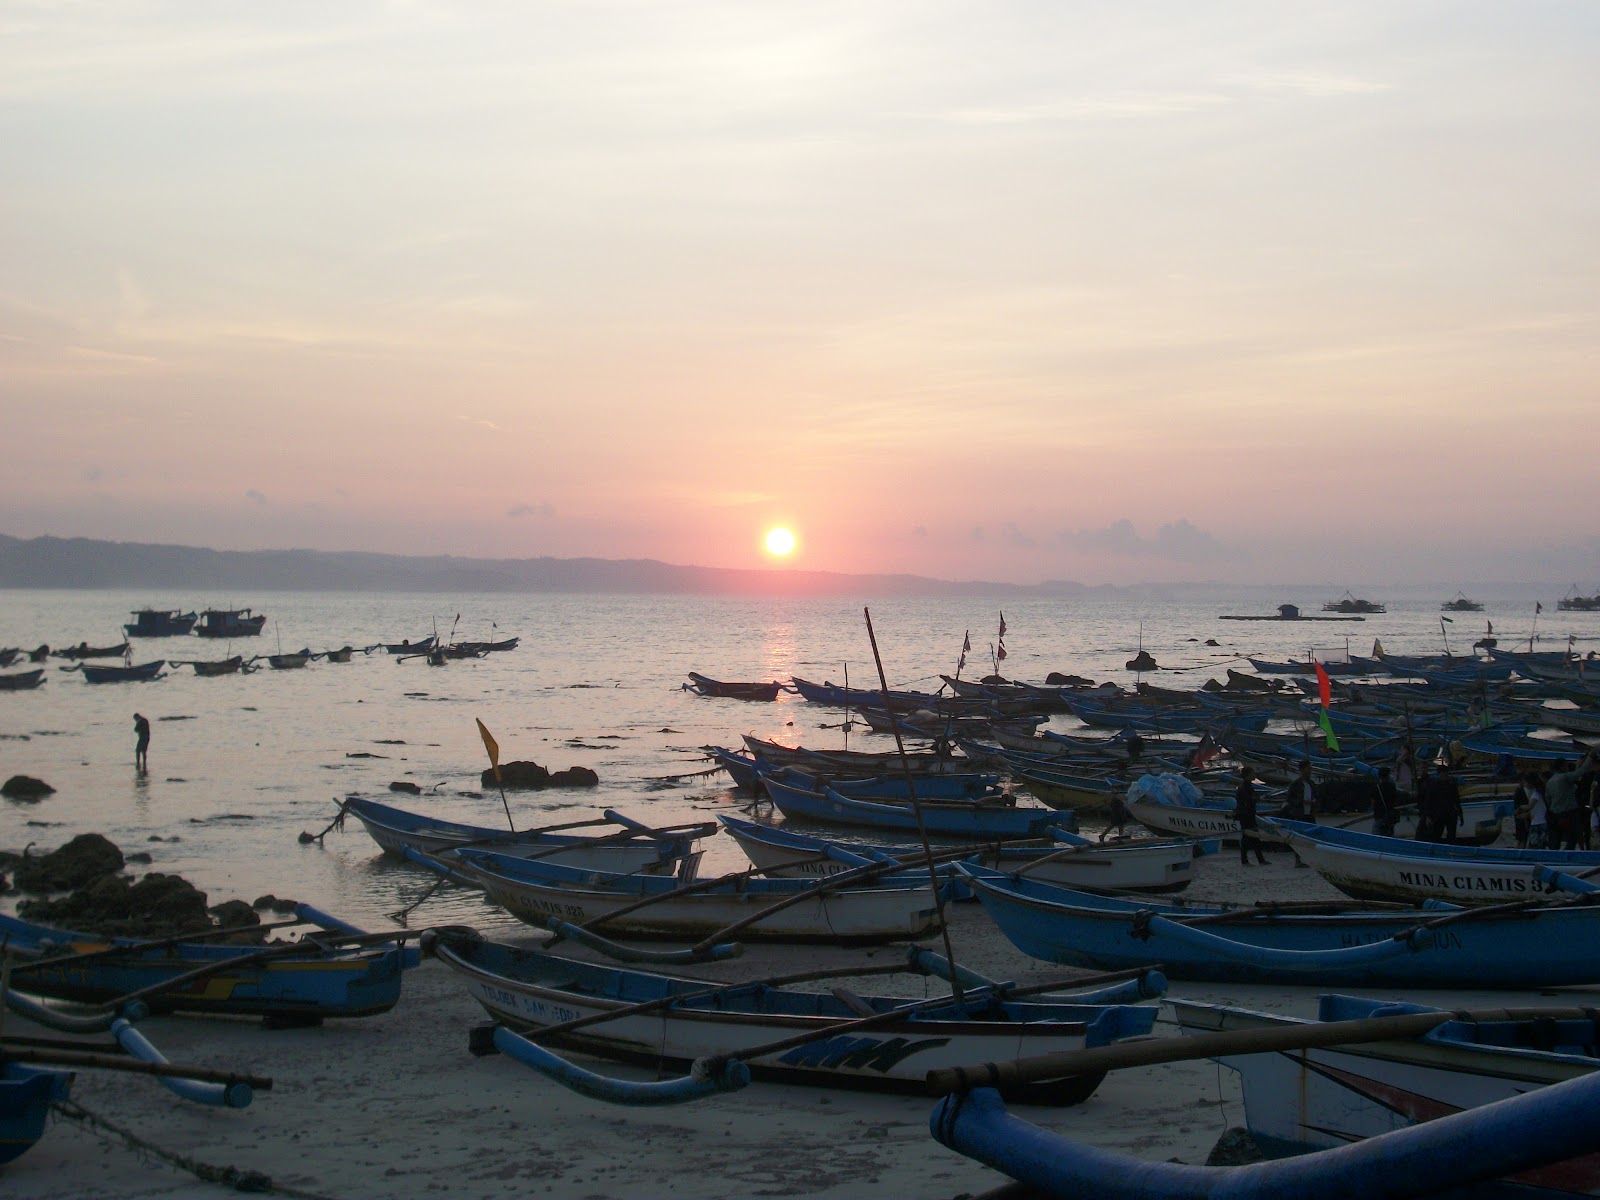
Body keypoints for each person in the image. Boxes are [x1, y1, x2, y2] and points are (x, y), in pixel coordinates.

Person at [1281, 760, 1316, 866]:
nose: (1309, 771)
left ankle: (1308, 858)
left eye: (1310, 769)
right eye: (1307, 768)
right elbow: (1290, 799)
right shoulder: (1295, 784)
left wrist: (1315, 804)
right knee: (1298, 837)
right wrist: (1302, 802)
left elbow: (1316, 796)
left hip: (1310, 814)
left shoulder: (1311, 784)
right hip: (1299, 814)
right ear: (1301, 770)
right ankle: (1298, 859)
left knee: (1311, 837)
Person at [1421, 762, 1463, 844]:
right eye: (1442, 773)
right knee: (1436, 835)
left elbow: (1457, 800)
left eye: (1446, 773)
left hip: (1451, 814)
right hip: (1438, 815)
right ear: (1439, 774)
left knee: (1451, 836)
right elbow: (1428, 801)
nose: (1444, 775)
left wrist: (1461, 815)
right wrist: (1428, 816)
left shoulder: (1451, 784)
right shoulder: (1433, 785)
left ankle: (1451, 848)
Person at [1235, 766, 1268, 866]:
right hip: (1247, 816)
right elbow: (1248, 801)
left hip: (1246, 815)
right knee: (1249, 837)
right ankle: (1248, 860)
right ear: (1247, 775)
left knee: (1253, 837)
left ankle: (1259, 859)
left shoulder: (1246, 786)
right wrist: (1258, 799)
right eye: (1252, 773)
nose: (1254, 775)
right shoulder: (1246, 787)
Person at [1373, 765, 1399, 838]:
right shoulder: (1392, 787)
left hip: (1378, 815)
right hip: (1389, 816)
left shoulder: (1376, 788)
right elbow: (1395, 799)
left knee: (1376, 836)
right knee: (1389, 835)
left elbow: (1373, 801)